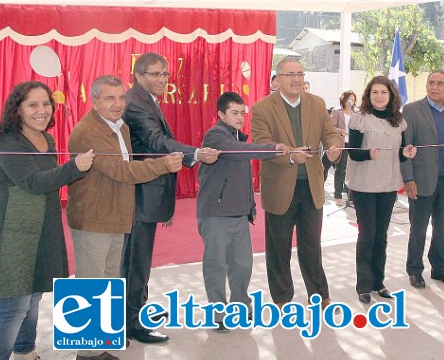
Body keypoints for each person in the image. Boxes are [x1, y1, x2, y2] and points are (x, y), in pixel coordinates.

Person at [67, 75, 183, 360]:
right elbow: (122, 171)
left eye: (121, 98)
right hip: (94, 217)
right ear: (94, 101)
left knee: (107, 281)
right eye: (109, 98)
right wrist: (162, 164)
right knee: (90, 283)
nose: (118, 104)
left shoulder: (120, 127)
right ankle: (87, 352)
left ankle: (100, 340)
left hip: (115, 215)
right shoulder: (88, 132)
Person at [0, 81, 94, 360]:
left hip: (43, 226)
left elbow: (52, 180)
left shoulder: (46, 140)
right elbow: (34, 183)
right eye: (33, 104)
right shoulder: (9, 142)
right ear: (17, 109)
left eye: (46, 104)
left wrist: (75, 169)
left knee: (34, 297)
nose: (41, 110)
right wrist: (75, 167)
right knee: (14, 305)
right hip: (15, 230)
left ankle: (25, 354)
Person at [121, 52, 220, 344]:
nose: (162, 79)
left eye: (165, 74)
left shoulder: (144, 99)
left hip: (145, 189)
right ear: (138, 75)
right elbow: (156, 141)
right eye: (154, 74)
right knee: (135, 261)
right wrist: (195, 153)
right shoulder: (135, 103)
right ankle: (133, 323)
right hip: (141, 192)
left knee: (138, 259)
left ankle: (136, 311)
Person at [251, 57, 343, 309]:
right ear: (278, 79)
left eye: (300, 74)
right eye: (290, 75)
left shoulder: (317, 103)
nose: (296, 79)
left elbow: (330, 133)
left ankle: (320, 294)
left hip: (311, 185)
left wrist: (335, 146)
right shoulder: (262, 108)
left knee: (312, 245)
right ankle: (281, 297)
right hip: (280, 186)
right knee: (278, 247)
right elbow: (261, 145)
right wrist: (290, 155)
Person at [197, 92, 288, 332]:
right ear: (221, 114)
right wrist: (273, 149)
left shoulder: (237, 136)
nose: (240, 118)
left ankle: (241, 305)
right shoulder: (216, 135)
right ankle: (217, 312)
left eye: (242, 113)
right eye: (234, 113)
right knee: (216, 265)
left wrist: (250, 207)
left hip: (239, 214)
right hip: (216, 214)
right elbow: (239, 151)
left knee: (242, 264)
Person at [345, 76, 417, 304]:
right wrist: (368, 153)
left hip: (388, 184)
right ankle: (363, 286)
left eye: (383, 92)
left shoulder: (399, 122)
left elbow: (398, 152)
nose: (379, 96)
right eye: (374, 92)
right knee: (367, 235)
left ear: (391, 95)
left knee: (381, 236)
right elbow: (353, 151)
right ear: (368, 95)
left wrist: (405, 154)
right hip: (364, 185)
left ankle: (379, 283)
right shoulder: (359, 119)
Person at [400, 70, 444, 289]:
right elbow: (405, 147)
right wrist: (408, 179)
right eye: (431, 82)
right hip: (420, 181)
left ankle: (440, 269)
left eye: (440, 83)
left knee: (443, 229)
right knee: (418, 228)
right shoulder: (411, 110)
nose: (434, 87)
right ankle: (414, 270)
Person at [322, 90, 357, 206]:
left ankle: (343, 195)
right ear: (344, 99)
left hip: (351, 144)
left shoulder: (356, 113)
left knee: (345, 170)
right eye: (349, 99)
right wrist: (339, 131)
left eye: (353, 99)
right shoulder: (336, 111)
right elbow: (330, 127)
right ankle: (331, 192)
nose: (351, 101)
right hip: (338, 144)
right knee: (332, 167)